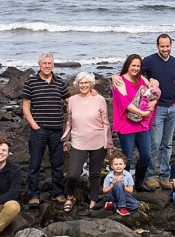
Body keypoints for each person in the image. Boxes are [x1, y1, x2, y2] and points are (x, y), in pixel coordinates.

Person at [21, 53, 71, 208]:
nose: (47, 66)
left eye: (50, 63)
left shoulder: (59, 82)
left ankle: (57, 193)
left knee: (58, 164)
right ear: (39, 64)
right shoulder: (31, 81)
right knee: (35, 164)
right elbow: (26, 107)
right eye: (44, 63)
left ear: (53, 65)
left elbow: (70, 102)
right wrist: (34, 125)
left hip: (57, 130)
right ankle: (34, 195)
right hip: (39, 130)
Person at [62, 71, 113, 212]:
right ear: (77, 84)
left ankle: (93, 200)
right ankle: (69, 197)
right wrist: (65, 139)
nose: (84, 85)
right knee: (73, 174)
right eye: (81, 82)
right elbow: (69, 121)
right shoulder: (72, 100)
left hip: (98, 141)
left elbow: (106, 123)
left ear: (91, 84)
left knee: (95, 174)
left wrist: (109, 143)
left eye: (86, 82)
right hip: (78, 141)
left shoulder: (100, 99)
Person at [141, 34, 175, 190]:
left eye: (167, 46)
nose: (165, 49)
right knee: (155, 143)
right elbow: (135, 74)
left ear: (171, 45)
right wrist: (147, 83)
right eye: (162, 46)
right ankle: (150, 175)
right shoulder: (149, 61)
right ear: (157, 46)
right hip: (157, 108)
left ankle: (165, 176)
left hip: (172, 108)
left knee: (167, 145)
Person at [112, 54, 155, 192]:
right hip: (126, 124)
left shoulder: (142, 80)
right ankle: (125, 186)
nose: (136, 68)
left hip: (141, 125)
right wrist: (141, 113)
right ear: (128, 66)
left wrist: (153, 103)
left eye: (138, 66)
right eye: (133, 66)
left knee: (147, 155)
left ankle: (139, 183)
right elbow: (124, 103)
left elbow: (153, 92)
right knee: (128, 158)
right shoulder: (120, 80)